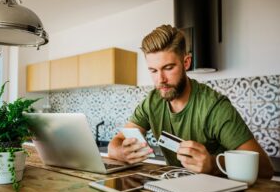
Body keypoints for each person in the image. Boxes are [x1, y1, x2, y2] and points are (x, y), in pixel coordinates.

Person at [108, 24, 274, 178]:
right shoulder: (152, 102)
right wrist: (121, 152)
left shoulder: (214, 107)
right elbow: (115, 143)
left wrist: (214, 164)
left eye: (168, 68)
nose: (161, 79)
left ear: (186, 62)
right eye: (153, 70)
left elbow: (266, 168)